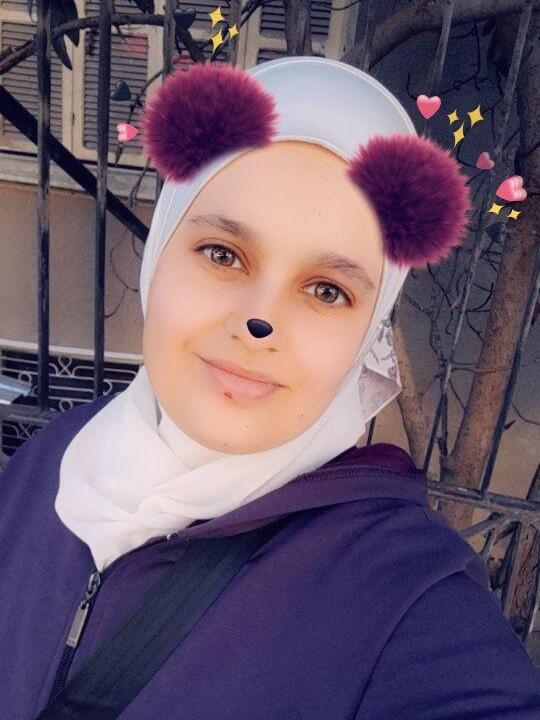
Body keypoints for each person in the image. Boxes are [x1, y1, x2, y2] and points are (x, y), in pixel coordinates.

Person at [0, 56, 538, 719]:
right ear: (160, 253)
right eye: (223, 254)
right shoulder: (51, 459)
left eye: (326, 290)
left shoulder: (403, 601)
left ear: (366, 331)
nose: (260, 322)